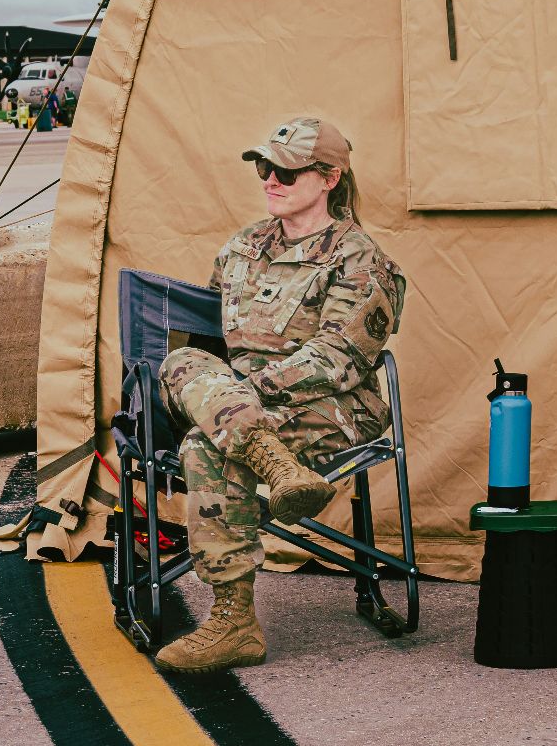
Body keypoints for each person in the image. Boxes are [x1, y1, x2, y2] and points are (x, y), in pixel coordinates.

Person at [152, 116, 406, 674]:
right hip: (240, 400)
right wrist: (233, 395)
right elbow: (208, 347)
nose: (270, 180)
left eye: (286, 171)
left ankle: (233, 621)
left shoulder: (359, 260)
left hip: (329, 404)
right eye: (264, 168)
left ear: (330, 178)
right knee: (180, 361)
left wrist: (248, 392)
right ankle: (273, 463)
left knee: (204, 444)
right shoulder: (241, 247)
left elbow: (339, 358)